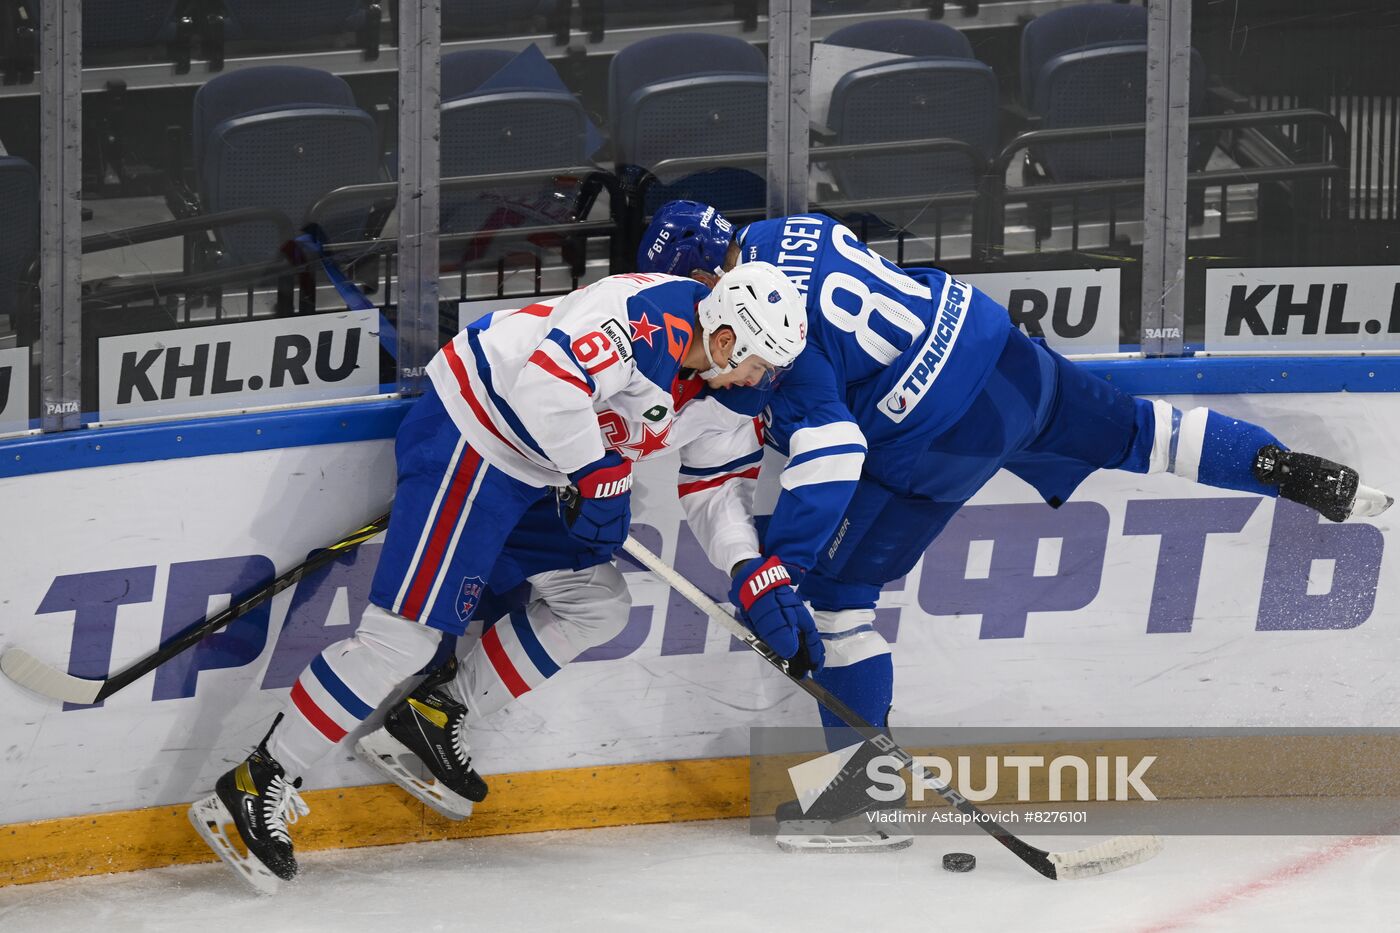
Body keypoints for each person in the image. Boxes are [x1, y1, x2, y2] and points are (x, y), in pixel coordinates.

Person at [636, 200, 1394, 849]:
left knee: (837, 597)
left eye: (685, 285)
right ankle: (1287, 468)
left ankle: (864, 799)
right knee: (1142, 430)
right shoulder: (787, 228)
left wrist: (783, 567)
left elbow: (833, 451)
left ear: (708, 271)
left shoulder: (766, 326)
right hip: (993, 346)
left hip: (936, 428)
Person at [188, 262, 820, 892]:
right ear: (727, 338)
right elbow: (548, 383)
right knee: (400, 639)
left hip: (545, 469)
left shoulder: (721, 387)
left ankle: (431, 717)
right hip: (479, 433)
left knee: (597, 605)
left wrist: (750, 569)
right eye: (759, 362)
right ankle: (255, 782)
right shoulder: (643, 315)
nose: (760, 379)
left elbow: (714, 488)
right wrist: (596, 472)